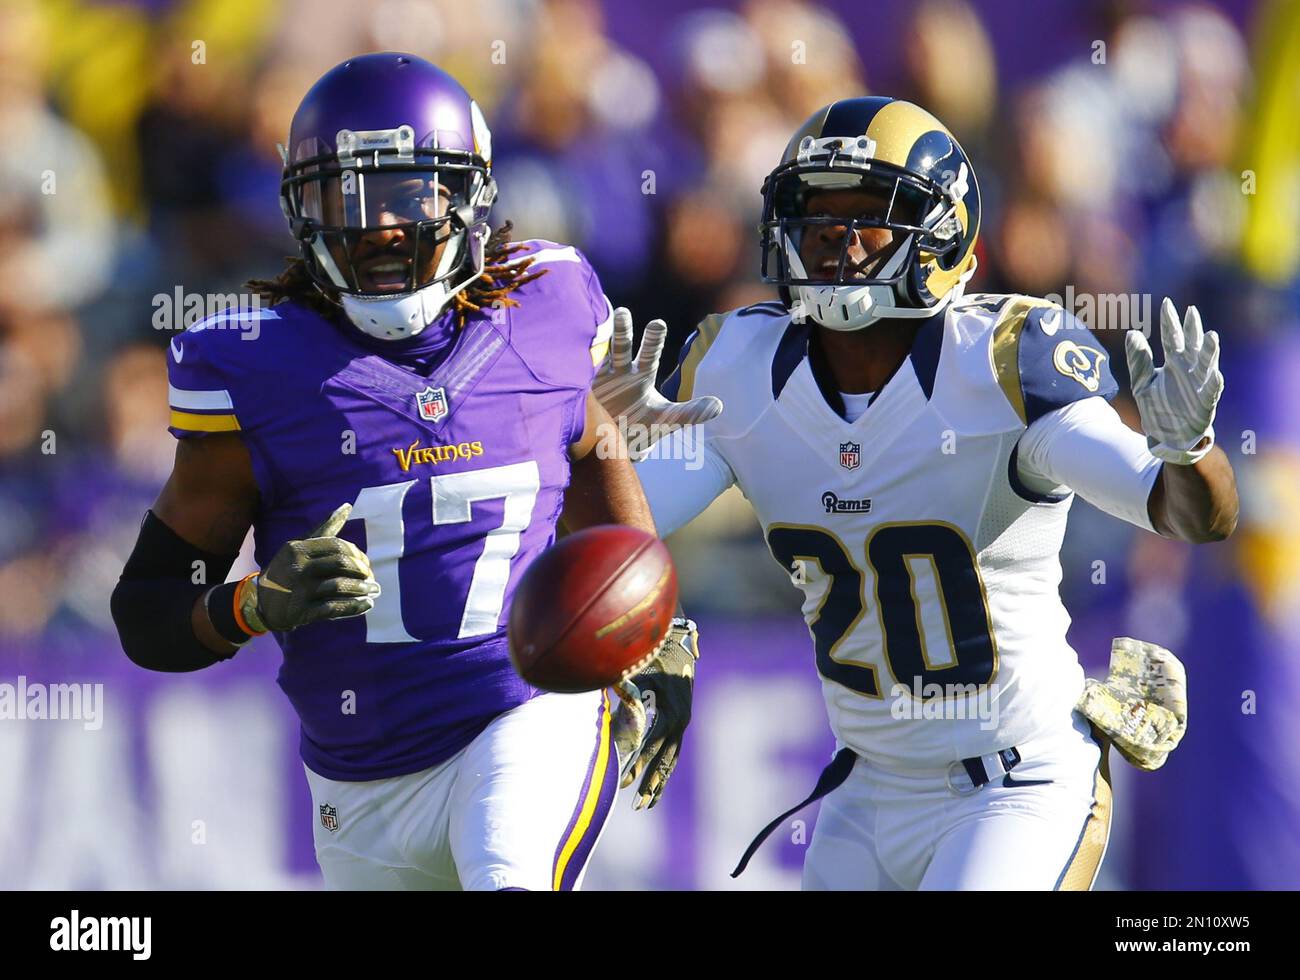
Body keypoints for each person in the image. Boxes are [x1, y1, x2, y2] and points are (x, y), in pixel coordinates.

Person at [594, 96, 1233, 890]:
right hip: (863, 788)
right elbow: (614, 543)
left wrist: (1189, 449)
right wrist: (600, 454)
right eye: (815, 213)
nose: (834, 236)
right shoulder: (744, 370)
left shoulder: (1001, 365)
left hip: (1017, 782)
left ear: (943, 232)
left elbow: (1183, 512)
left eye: (868, 214)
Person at [111, 53, 694, 891]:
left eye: (404, 193)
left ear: (468, 196)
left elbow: (592, 445)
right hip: (356, 788)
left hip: (523, 713)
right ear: (297, 210)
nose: (377, 225)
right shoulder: (252, 366)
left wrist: (654, 621)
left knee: (510, 874)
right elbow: (145, 612)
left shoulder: (550, 305)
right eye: (343, 195)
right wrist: (250, 604)